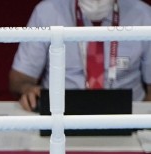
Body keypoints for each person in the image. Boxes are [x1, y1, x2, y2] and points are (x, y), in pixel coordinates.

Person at [10, 0, 151, 111]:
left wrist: (141, 122)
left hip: (128, 116)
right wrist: (27, 89)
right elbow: (19, 79)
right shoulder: (47, 12)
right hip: (59, 115)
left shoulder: (144, 15)